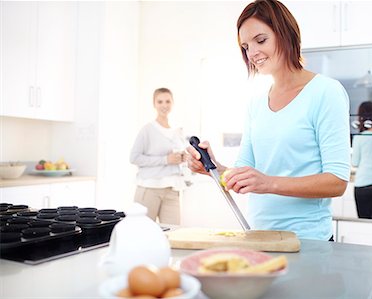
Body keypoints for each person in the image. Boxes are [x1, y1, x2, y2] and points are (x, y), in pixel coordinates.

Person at [186, 0, 350, 241]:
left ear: (286, 34)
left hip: (307, 241)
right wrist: (212, 168)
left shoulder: (326, 92)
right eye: (245, 47)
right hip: (259, 236)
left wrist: (268, 183)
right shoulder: (256, 104)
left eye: (260, 40)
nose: (252, 53)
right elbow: (243, 175)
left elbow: (336, 182)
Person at [130, 87, 190, 225]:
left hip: (172, 189)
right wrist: (166, 159)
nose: (164, 105)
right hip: (149, 188)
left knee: (173, 234)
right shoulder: (147, 130)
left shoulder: (177, 131)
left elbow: (177, 156)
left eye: (168, 101)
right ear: (154, 104)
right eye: (160, 101)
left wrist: (182, 158)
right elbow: (134, 157)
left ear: (172, 103)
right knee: (142, 232)